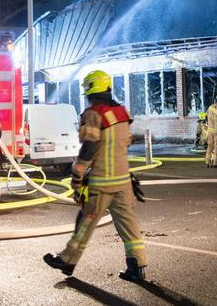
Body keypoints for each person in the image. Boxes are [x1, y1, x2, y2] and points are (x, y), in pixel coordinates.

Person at [44, 70, 147, 282]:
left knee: (86, 220)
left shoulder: (93, 114)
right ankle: (137, 266)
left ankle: (67, 260)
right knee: (128, 223)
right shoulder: (121, 112)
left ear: (91, 88)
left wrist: (78, 175)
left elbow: (89, 147)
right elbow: (124, 144)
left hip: (101, 182)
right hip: (123, 181)